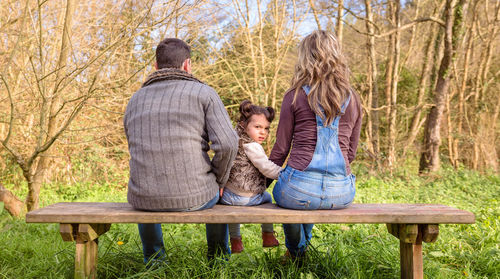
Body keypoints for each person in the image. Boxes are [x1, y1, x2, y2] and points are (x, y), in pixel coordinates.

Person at [123, 38, 238, 264]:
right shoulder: (205, 93)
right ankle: (217, 261)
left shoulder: (135, 99)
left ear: (156, 67)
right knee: (222, 197)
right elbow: (228, 144)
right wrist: (220, 180)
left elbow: (133, 144)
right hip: (198, 196)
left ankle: (155, 261)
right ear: (187, 65)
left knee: (147, 196)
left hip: (143, 197)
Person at [269, 30, 362, 261]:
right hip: (341, 193)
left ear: (305, 58)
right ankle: (299, 251)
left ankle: (297, 251)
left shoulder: (294, 95)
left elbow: (280, 151)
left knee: (296, 193)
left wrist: (259, 182)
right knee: (305, 196)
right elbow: (351, 152)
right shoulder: (354, 98)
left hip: (296, 191)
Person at [220, 100, 281, 253]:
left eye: (266, 128)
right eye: (258, 127)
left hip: (228, 196)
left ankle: (235, 240)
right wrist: (285, 174)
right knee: (267, 198)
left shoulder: (233, 140)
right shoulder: (252, 146)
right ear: (243, 124)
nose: (263, 132)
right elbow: (267, 169)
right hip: (246, 197)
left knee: (232, 213)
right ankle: (268, 234)